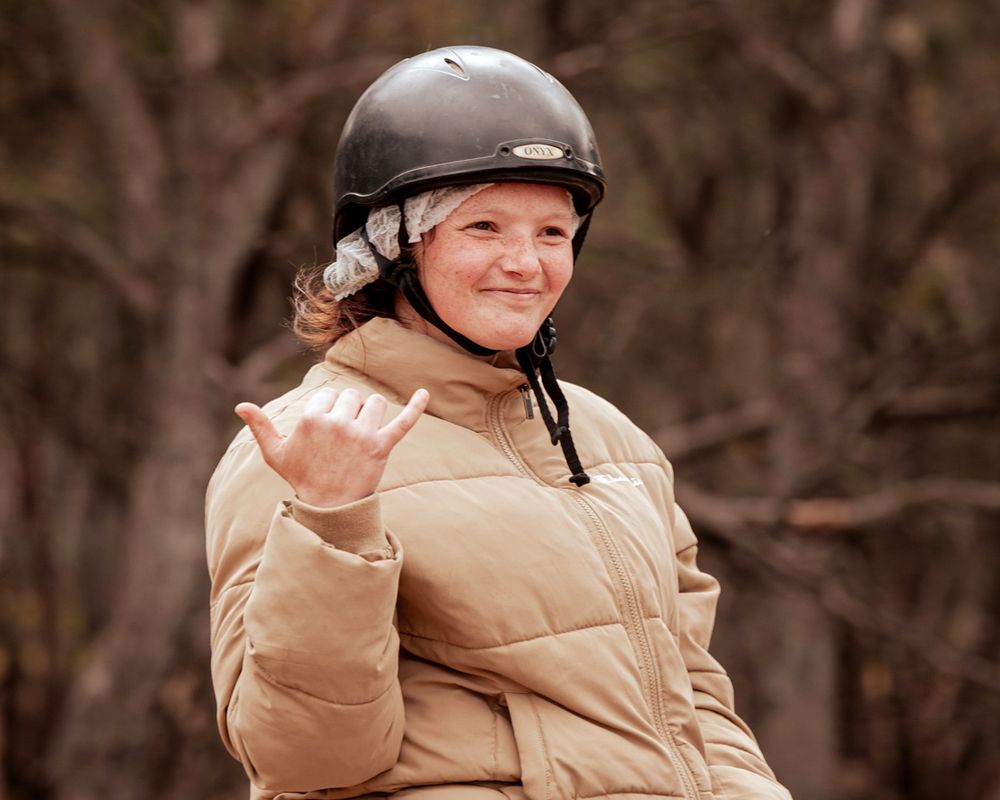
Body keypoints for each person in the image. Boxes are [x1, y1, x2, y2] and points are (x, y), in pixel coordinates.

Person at [206, 45, 792, 800]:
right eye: (484, 225)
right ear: (392, 243)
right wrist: (329, 523)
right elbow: (304, 762)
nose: (526, 262)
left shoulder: (613, 440)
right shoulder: (303, 444)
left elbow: (693, 700)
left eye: (552, 232)